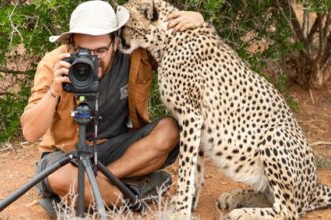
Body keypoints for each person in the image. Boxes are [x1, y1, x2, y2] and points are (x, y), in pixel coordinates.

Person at [20, 0, 204, 217]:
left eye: (100, 50)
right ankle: (134, 192)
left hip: (117, 150)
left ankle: (89, 191)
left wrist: (197, 24)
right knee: (59, 177)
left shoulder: (133, 54)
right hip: (69, 154)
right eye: (83, 51)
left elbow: (177, 49)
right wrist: (54, 91)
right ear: (71, 44)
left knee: (171, 129)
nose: (92, 59)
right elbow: (30, 133)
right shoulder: (55, 63)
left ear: (116, 41)